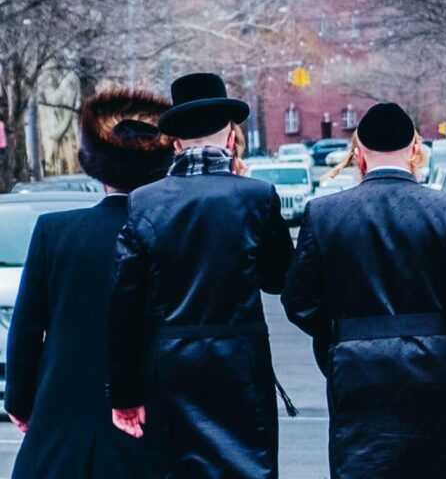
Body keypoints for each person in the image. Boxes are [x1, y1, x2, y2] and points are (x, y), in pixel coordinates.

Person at [282, 102, 446, 479]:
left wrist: (339, 336)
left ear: (358, 153)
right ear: (415, 150)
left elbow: (298, 300)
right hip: (438, 366)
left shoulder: (324, 213)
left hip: (357, 368)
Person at [107, 72, 294, 478]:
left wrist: (124, 394)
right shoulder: (257, 197)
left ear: (175, 144)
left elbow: (123, 306)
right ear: (230, 139)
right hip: (239, 361)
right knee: (249, 465)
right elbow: (279, 279)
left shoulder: (144, 202)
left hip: (172, 362)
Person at [5, 89, 173, 478]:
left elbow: (27, 330)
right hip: (149, 418)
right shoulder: (170, 235)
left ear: (95, 169)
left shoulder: (55, 232)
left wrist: (20, 400)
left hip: (63, 414)